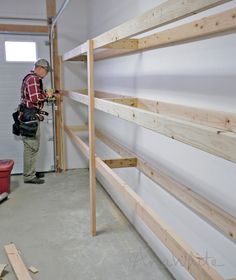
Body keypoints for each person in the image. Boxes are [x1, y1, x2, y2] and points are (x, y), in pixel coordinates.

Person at [20, 59, 53, 184]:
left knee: (32, 145)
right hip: (30, 116)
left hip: (28, 115)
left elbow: (33, 95)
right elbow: (35, 98)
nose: (46, 74)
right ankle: (29, 176)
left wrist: (44, 93)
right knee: (31, 146)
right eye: (46, 71)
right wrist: (47, 95)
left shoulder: (29, 78)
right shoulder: (34, 79)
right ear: (40, 68)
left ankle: (31, 172)